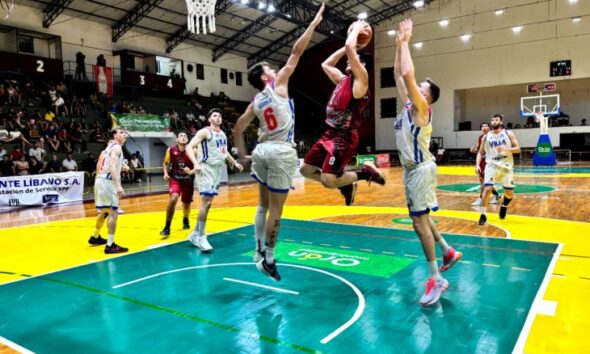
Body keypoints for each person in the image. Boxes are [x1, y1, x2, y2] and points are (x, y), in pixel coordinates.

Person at [232, 4, 325, 281]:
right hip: (282, 150)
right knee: (276, 209)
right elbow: (296, 52)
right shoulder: (279, 85)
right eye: (270, 69)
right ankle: (268, 259)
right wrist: (313, 24)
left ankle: (258, 248)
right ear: (264, 77)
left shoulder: (255, 101)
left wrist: (245, 156)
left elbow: (237, 129)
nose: (275, 69)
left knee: (262, 204)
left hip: (261, 151)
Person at [393, 18, 462, 306]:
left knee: (419, 224)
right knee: (422, 219)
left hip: (420, 170)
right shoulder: (409, 105)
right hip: (413, 172)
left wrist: (407, 41)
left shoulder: (422, 108)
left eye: (420, 86)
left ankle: (437, 278)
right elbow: (399, 74)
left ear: (426, 96)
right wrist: (398, 44)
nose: (415, 86)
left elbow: (408, 73)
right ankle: (447, 251)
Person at [299, 20, 385, 206]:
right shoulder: (342, 80)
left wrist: (355, 34)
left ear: (361, 65)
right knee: (305, 170)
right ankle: (345, 184)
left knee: (328, 180)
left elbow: (349, 45)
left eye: (353, 57)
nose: (348, 59)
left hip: (344, 137)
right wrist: (349, 49)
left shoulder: (361, 80)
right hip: (330, 133)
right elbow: (326, 64)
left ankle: (364, 172)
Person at [186, 108, 243, 251]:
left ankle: (194, 234)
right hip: (205, 169)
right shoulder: (204, 132)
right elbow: (189, 147)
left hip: (217, 170)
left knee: (208, 203)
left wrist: (234, 162)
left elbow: (224, 151)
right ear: (209, 119)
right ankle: (201, 237)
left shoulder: (222, 134)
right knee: (206, 202)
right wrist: (196, 163)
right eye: (215, 116)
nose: (218, 118)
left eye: (219, 116)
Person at [88, 128, 128, 253]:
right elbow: (111, 166)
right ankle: (110, 245)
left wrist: (122, 167)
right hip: (108, 182)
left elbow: (100, 166)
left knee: (104, 212)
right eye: (121, 132)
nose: (124, 134)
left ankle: (95, 237)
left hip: (100, 180)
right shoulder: (117, 148)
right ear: (115, 136)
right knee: (113, 212)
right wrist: (118, 186)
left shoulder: (106, 149)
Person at [476, 113, 521, 225]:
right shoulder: (486, 137)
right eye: (493, 120)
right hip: (491, 166)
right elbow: (481, 152)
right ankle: (483, 215)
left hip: (506, 167)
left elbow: (518, 149)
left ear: (501, 122)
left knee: (509, 194)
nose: (494, 121)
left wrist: (507, 149)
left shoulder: (508, 133)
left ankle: (504, 205)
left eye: (496, 120)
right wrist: (477, 165)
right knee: (487, 190)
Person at [160, 132, 194, 237]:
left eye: (185, 136)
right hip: (175, 179)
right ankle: (167, 227)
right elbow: (165, 163)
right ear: (177, 140)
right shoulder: (170, 150)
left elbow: (199, 166)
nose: (183, 137)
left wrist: (191, 171)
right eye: (181, 136)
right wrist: (165, 173)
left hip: (188, 181)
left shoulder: (193, 151)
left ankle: (185, 219)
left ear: (188, 140)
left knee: (186, 204)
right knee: (174, 198)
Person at [470, 123, 500, 206]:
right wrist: (473, 149)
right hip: (482, 161)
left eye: (486, 126)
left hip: (490, 161)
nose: (484, 127)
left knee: (483, 181)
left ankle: (481, 198)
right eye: (482, 126)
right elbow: (479, 150)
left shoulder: (493, 136)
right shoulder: (480, 138)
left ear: (489, 128)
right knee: (482, 180)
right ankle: (496, 195)